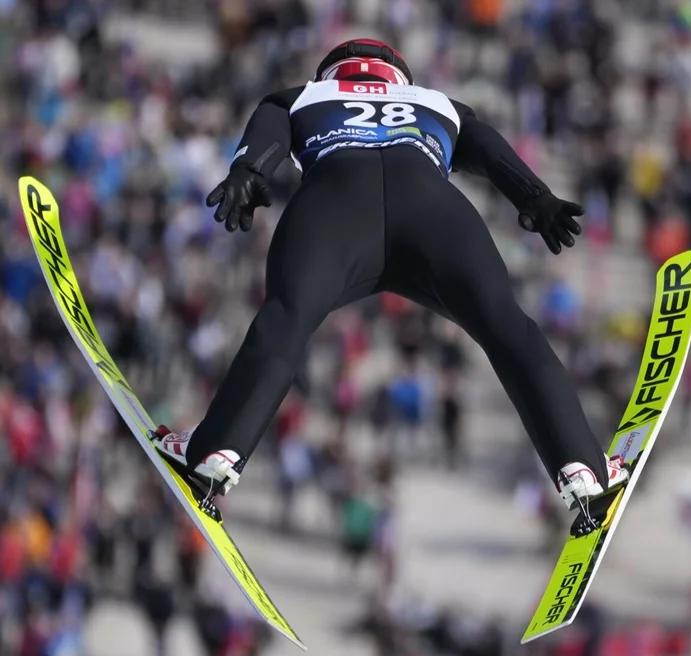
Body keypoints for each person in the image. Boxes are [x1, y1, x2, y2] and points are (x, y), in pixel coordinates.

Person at [151, 39, 626, 512]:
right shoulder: (438, 103)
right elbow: (485, 146)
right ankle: (581, 466)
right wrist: (535, 197)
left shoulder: (302, 96)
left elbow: (269, 128)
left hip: (334, 207)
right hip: (433, 213)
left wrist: (248, 170)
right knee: (508, 327)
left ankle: (215, 451)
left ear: (329, 74)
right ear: (400, 77)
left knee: (286, 319)